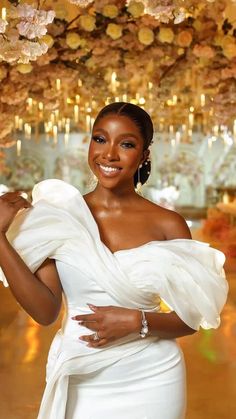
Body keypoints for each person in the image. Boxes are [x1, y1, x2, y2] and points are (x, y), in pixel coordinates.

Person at [0, 102, 228, 419]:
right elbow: (45, 311)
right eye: (100, 139)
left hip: (153, 376)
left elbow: (191, 319)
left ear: (145, 155)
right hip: (82, 370)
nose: (109, 154)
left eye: (127, 144)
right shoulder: (57, 216)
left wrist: (138, 322)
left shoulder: (168, 224)